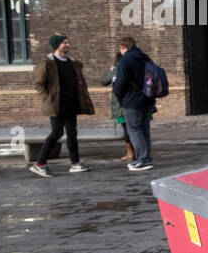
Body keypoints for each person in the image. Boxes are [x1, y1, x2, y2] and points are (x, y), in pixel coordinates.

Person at [29, 34, 95, 177]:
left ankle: (75, 163)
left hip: (71, 103)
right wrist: (49, 99)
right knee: (57, 132)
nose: (68, 45)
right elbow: (39, 84)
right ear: (57, 45)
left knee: (72, 133)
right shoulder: (47, 62)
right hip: (57, 104)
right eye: (65, 43)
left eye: (68, 42)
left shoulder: (72, 63)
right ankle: (39, 164)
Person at [113, 36, 156, 171]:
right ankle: (146, 158)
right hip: (148, 98)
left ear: (122, 47)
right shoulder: (145, 58)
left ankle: (143, 160)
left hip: (132, 100)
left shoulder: (125, 61)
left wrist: (120, 98)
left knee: (134, 130)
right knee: (144, 129)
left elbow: (120, 83)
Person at [99, 52, 135, 163]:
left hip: (120, 104)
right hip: (133, 102)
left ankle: (130, 153)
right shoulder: (135, 66)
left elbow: (103, 81)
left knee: (127, 129)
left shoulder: (117, 69)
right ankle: (139, 151)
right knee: (135, 128)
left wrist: (111, 70)